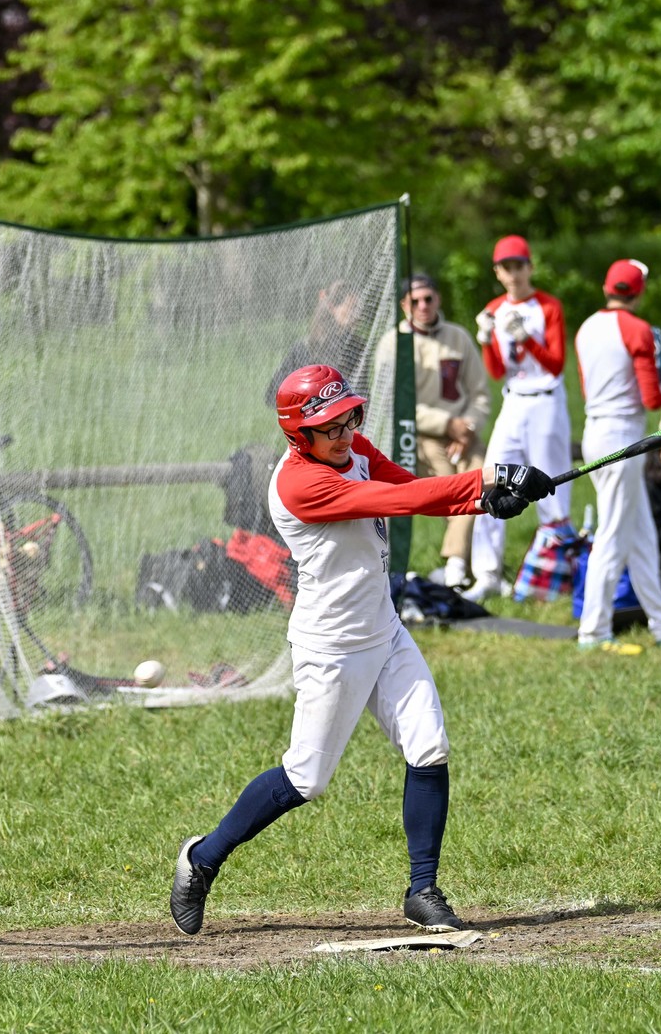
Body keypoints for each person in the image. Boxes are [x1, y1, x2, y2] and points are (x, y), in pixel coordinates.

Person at [168, 364, 551, 937]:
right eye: (330, 426)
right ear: (300, 435)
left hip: (383, 629)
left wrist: (487, 502)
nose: (345, 432)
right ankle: (202, 858)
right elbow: (398, 502)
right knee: (306, 779)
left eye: (350, 417)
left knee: (430, 748)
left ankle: (422, 890)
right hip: (332, 647)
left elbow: (404, 486)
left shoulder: (353, 450)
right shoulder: (300, 484)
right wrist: (491, 475)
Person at [572, 259, 661, 652]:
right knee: (614, 535)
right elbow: (652, 397)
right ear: (639, 292)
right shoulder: (637, 329)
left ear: (607, 289)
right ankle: (594, 630)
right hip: (623, 436)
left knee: (639, 533)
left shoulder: (585, 327)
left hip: (596, 432)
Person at [468, 235, 573, 601]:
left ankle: (555, 568)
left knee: (551, 480)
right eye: (505, 267)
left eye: (519, 266)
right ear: (497, 272)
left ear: (529, 267)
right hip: (513, 400)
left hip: (545, 398)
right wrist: (485, 339)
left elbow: (556, 364)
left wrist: (526, 338)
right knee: (493, 477)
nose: (513, 274)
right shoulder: (494, 307)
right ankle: (487, 572)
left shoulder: (547, 306)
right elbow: (497, 370)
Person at [375, 273, 492, 590]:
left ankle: (460, 566)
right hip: (419, 436)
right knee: (452, 486)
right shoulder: (393, 343)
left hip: (464, 435)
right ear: (404, 305)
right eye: (415, 301)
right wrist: (445, 425)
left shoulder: (458, 337)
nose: (423, 306)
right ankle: (456, 565)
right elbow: (391, 403)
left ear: (438, 299)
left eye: (429, 298)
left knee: (482, 480)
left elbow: (480, 394)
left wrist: (466, 427)